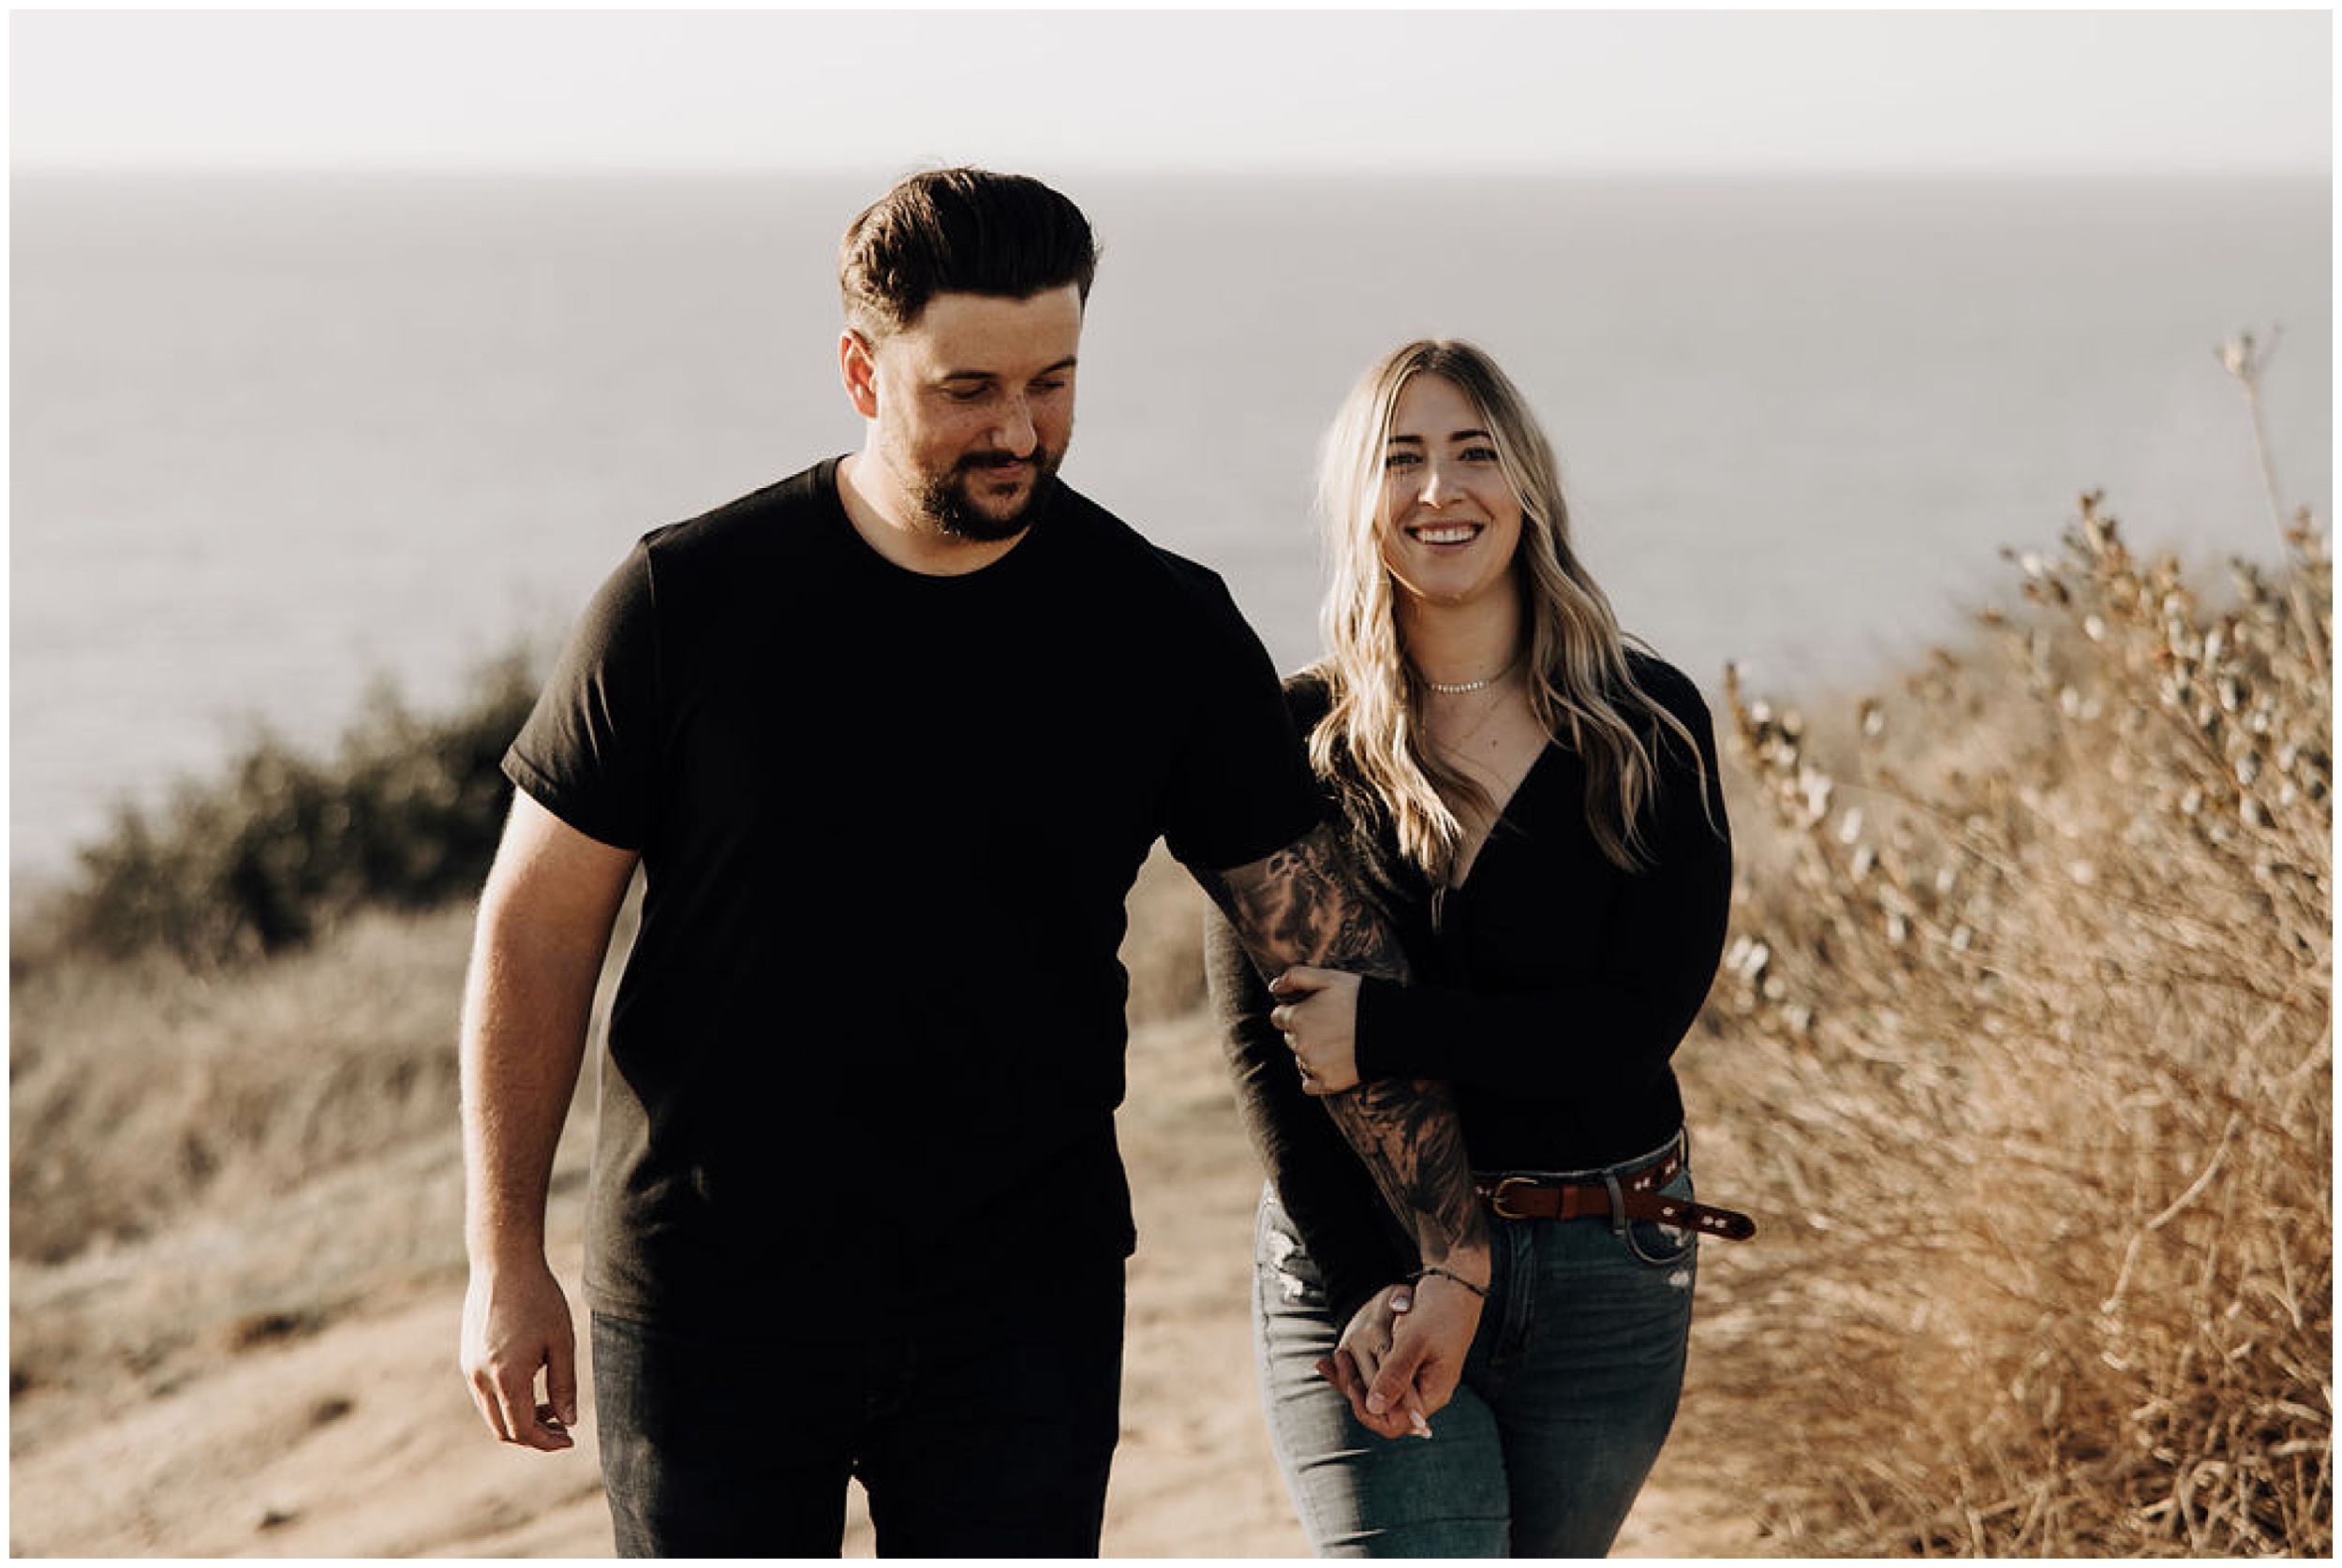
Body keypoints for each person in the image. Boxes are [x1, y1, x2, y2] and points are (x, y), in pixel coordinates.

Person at [455, 169, 1490, 1559]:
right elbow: (534, 931)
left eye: (1054, 382)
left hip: (1020, 1305)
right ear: (860, 373)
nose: (1019, 430)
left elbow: (1319, 938)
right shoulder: (685, 603)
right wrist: (501, 1258)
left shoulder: (1159, 627)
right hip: (712, 1302)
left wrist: (1447, 1238)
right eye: (968, 390)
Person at [1206, 338, 1749, 1557]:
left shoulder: (1645, 726)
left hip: (1605, 1259)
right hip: (1363, 1250)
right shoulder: (1294, 739)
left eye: (1474, 453)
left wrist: (1388, 1026)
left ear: (1528, 487)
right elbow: (1268, 1044)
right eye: (1402, 460)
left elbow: (1630, 1029)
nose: (1440, 491)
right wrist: (1370, 1277)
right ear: (1361, 501)